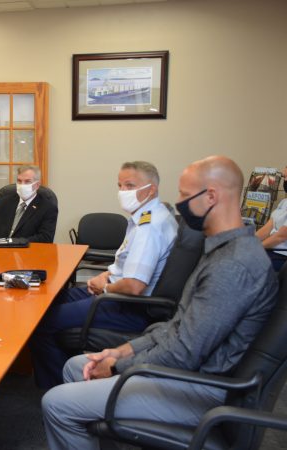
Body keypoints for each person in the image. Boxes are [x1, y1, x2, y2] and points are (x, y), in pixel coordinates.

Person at [41, 156, 278, 450]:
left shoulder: (234, 265)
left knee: (56, 403)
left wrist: (118, 364)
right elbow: (178, 326)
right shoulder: (222, 251)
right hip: (188, 373)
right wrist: (124, 349)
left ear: (212, 197)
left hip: (202, 390)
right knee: (76, 367)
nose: (178, 204)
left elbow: (185, 352)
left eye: (184, 194)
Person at [30, 161, 178, 389]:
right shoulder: (147, 217)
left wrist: (106, 286)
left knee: (41, 324)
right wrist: (106, 276)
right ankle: (67, 367)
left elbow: (135, 285)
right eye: (120, 185)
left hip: (127, 305)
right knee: (50, 300)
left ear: (151, 190)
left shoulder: (149, 228)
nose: (123, 192)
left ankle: (60, 389)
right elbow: (127, 266)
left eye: (130, 185)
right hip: (116, 294)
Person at [0, 165, 58, 243]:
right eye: (19, 181)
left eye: (27, 181)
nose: (22, 185)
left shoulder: (48, 207)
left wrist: (13, 242)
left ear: (37, 185)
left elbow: (45, 238)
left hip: (27, 253)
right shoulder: (3, 202)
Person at [256, 166, 287, 271]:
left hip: (282, 255)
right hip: (271, 251)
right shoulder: (284, 203)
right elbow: (268, 227)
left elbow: (281, 236)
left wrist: (256, 247)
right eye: (284, 177)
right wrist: (248, 241)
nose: (285, 180)